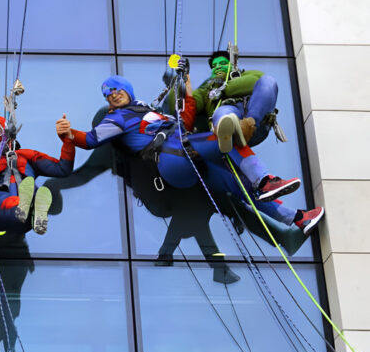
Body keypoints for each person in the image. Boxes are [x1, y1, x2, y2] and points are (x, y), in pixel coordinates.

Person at [57, 75, 324, 235]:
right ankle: (265, 180)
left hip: (188, 158)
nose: (113, 96)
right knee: (226, 138)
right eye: (108, 94)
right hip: (172, 157)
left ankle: (298, 219)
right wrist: (70, 135)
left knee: (240, 186)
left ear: (127, 89)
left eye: (116, 90)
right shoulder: (117, 118)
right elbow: (91, 139)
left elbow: (183, 121)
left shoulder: (148, 111)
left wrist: (187, 90)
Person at [168, 51, 282, 153]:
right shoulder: (206, 90)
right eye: (214, 66)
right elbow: (188, 103)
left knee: (269, 81)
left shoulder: (246, 75)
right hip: (228, 120)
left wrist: (224, 89)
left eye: (222, 63)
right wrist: (182, 80)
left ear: (232, 66)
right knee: (223, 113)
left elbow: (258, 81)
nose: (217, 67)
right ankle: (228, 131)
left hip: (256, 122)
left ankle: (246, 127)